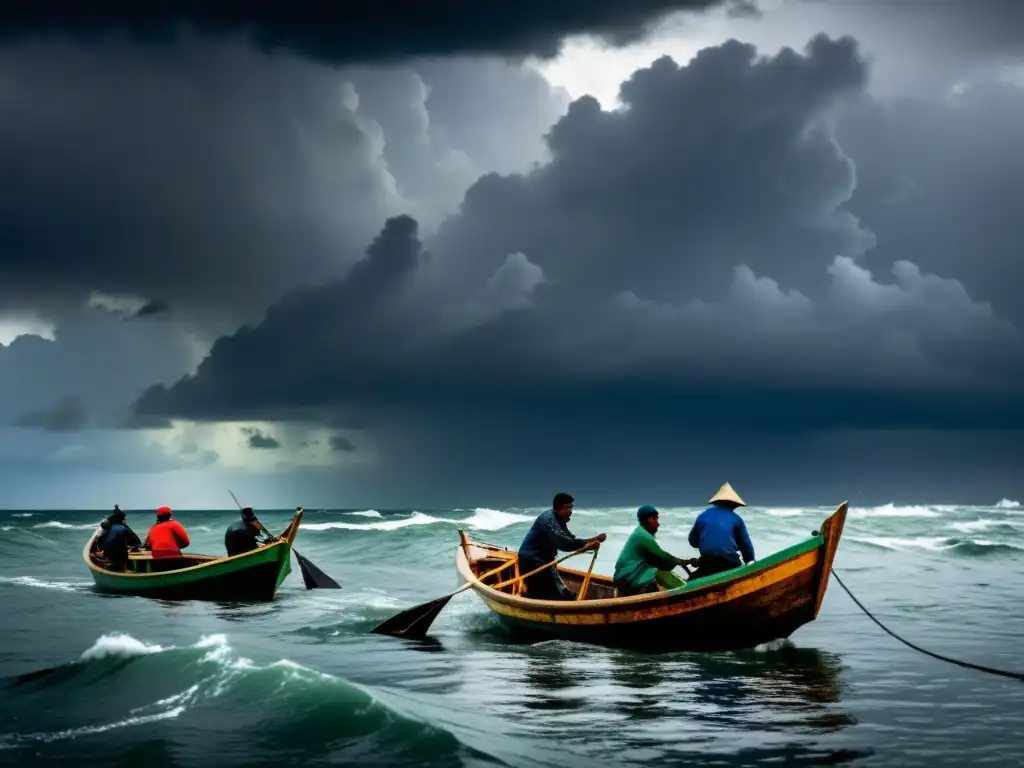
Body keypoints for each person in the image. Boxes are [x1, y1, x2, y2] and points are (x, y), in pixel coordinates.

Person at [517, 493, 606, 600]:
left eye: (571, 507)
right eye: (566, 508)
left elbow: (570, 540)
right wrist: (589, 541)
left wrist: (589, 544)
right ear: (558, 508)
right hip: (531, 562)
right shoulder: (548, 520)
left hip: (545, 562)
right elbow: (565, 543)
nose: (570, 511)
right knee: (548, 596)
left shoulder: (559, 520)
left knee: (562, 593)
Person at [614, 505, 699, 595]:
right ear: (644, 520)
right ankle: (685, 593)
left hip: (627, 577)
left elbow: (659, 560)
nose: (657, 523)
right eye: (654, 519)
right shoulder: (642, 536)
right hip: (627, 578)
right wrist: (685, 562)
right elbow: (663, 556)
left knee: (661, 571)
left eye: (657, 519)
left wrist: (679, 563)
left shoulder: (640, 532)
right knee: (662, 574)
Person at [687, 482, 756, 580]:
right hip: (729, 563)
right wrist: (751, 561)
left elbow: (693, 541)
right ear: (733, 504)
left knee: (694, 578)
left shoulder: (702, 516)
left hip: (707, 563)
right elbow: (746, 546)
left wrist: (708, 542)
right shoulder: (736, 519)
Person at [98, 506, 142, 571]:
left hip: (107, 554)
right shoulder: (123, 528)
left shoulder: (107, 528)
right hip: (120, 557)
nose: (126, 521)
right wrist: (134, 547)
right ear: (122, 520)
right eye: (125, 519)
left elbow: (100, 540)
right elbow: (137, 542)